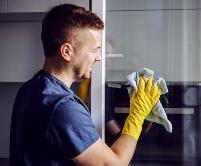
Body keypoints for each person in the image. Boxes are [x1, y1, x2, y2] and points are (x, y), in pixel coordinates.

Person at [9, 4, 161, 166]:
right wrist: (136, 116)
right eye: (95, 49)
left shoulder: (29, 89)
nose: (99, 57)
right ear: (67, 52)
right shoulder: (63, 106)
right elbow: (113, 164)